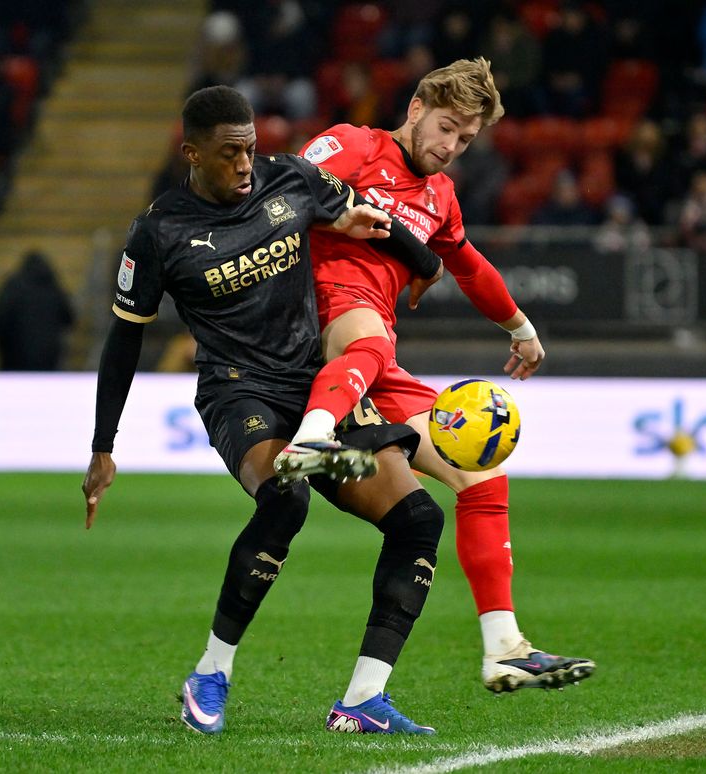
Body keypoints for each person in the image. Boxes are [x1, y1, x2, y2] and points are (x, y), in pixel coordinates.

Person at [82, 85, 450, 735]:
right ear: (192, 153)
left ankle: (363, 700)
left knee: (418, 518)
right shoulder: (160, 231)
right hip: (238, 392)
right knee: (286, 497)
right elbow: (125, 337)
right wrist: (103, 444)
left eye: (251, 148)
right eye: (230, 154)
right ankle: (211, 672)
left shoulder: (291, 180)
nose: (247, 164)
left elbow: (367, 215)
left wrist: (423, 263)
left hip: (315, 388)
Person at [281, 58, 596, 692]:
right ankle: (310, 442)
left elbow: (473, 268)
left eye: (466, 140)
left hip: (374, 348)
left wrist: (521, 329)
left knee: (479, 471)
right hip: (316, 310)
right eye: (446, 127)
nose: (450, 147)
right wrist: (337, 215)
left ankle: (504, 645)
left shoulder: (440, 197)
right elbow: (284, 189)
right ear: (418, 107)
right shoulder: (355, 145)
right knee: (367, 338)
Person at [0, 250, 73, 371]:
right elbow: (69, 317)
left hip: (15, 358)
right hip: (48, 358)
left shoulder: (13, 286)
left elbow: (1, 319)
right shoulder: (52, 287)